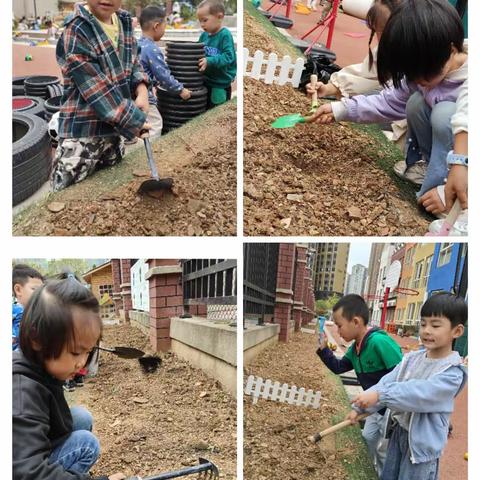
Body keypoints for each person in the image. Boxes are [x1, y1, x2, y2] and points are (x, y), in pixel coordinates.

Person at [307, 0, 467, 212]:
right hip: (451, 153)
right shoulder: (425, 67)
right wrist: (340, 109)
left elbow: (466, 119)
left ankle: (452, 194)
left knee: (444, 113)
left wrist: (456, 174)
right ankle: (430, 168)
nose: (418, 80)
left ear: (451, 49)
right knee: (416, 102)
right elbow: (388, 101)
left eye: (424, 76)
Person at [13, 271, 125, 480]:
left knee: (81, 417)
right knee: (86, 444)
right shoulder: (21, 393)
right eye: (75, 352)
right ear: (38, 339)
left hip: (34, 448)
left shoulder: (39, 364)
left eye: (88, 352)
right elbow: (26, 472)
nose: (82, 362)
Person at [348, 292, 468, 480]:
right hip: (399, 435)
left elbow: (419, 394)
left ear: (457, 331)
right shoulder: (411, 359)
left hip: (421, 448)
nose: (427, 330)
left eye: (435, 325)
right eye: (423, 324)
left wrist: (381, 395)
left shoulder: (452, 372)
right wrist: (360, 407)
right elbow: (387, 382)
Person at [52, 0, 151, 191]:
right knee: (68, 193)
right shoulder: (77, 28)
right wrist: (133, 120)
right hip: (82, 132)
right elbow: (96, 89)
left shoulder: (123, 22)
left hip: (113, 129)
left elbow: (134, 61)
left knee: (108, 189)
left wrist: (142, 88)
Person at [316, 294, 402, 475]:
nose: (338, 331)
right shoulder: (355, 350)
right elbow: (339, 367)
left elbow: (402, 374)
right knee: (368, 437)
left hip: (392, 411)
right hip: (373, 408)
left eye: (339, 326)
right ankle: (375, 471)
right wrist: (324, 349)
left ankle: (387, 474)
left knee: (385, 451)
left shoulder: (379, 342)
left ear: (355, 321)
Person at [138, 5, 191, 138]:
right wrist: (180, 89)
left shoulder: (136, 44)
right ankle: (150, 153)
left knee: (140, 125)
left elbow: (144, 70)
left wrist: (154, 82)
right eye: (164, 27)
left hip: (132, 95)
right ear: (156, 26)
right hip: (145, 97)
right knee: (155, 124)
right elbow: (164, 76)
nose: (164, 31)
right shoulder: (152, 49)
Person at [197, 0, 236, 108]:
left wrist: (209, 60)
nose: (202, 24)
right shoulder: (204, 36)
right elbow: (197, 52)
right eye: (200, 21)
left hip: (219, 84)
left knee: (216, 110)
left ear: (219, 17)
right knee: (203, 110)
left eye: (205, 20)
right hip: (205, 81)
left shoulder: (225, 35)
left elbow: (229, 57)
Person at [12, 264, 44, 351]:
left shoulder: (41, 313)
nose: (41, 294)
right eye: (35, 289)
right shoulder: (15, 314)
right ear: (18, 290)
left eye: (42, 290)